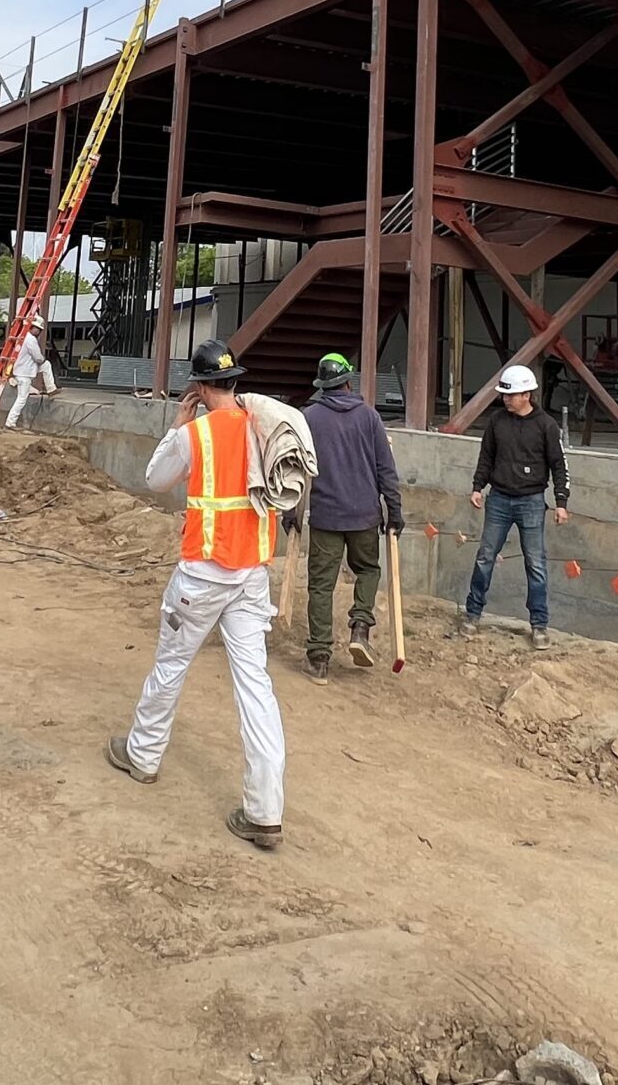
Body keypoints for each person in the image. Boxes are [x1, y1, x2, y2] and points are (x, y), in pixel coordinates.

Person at [108, 339, 287, 851]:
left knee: (172, 665)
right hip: (252, 576)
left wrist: (177, 425)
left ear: (201, 386)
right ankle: (265, 812)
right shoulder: (263, 426)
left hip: (203, 576)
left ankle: (142, 755)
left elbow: (155, 478)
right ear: (236, 382)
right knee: (256, 687)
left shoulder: (198, 434)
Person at [299, 352, 403, 682]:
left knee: (320, 586)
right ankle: (360, 627)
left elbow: (296, 471)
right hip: (364, 515)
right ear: (348, 381)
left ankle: (319, 658)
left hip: (326, 516)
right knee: (368, 570)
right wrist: (394, 511)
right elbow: (386, 469)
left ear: (322, 386)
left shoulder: (309, 418)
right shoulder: (369, 418)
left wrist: (292, 512)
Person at [458, 364, 569, 650]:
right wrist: (477, 486)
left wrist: (561, 502)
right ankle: (473, 614)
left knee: (536, 563)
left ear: (527, 394)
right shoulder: (497, 422)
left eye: (512, 394)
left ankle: (539, 624)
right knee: (485, 556)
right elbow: (486, 457)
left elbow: (559, 464)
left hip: (532, 501)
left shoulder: (546, 426)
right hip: (499, 499)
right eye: (505, 395)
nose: (506, 399)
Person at [3, 312, 56, 430]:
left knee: (46, 366)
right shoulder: (30, 339)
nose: (38, 332)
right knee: (21, 399)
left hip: (24, 369)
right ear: (34, 328)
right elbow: (37, 356)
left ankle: (51, 388)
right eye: (38, 329)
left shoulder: (21, 336)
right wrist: (42, 359)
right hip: (25, 373)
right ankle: (10, 422)